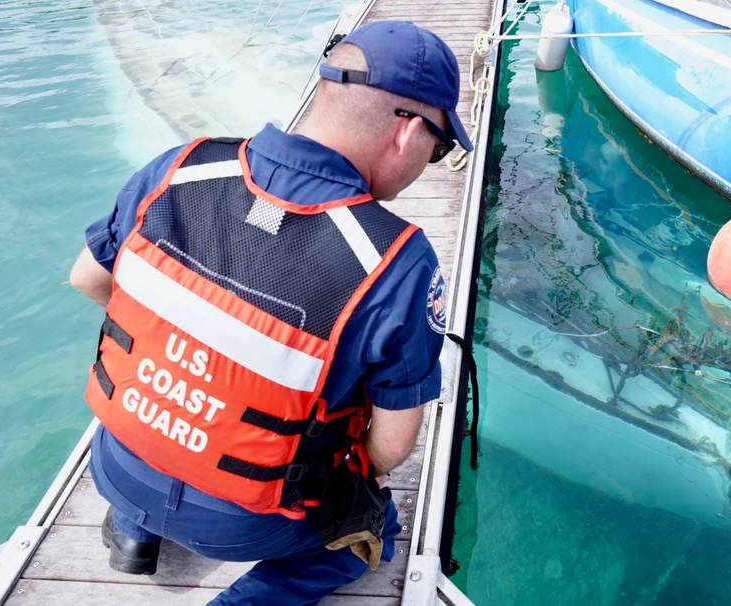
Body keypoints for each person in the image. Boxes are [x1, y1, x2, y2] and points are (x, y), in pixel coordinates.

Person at [68, 20, 473, 605]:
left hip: (116, 464)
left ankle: (134, 529)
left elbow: (88, 279)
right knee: (373, 533)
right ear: (408, 132)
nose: (426, 163)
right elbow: (389, 448)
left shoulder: (181, 166)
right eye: (437, 151)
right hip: (240, 524)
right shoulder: (395, 261)